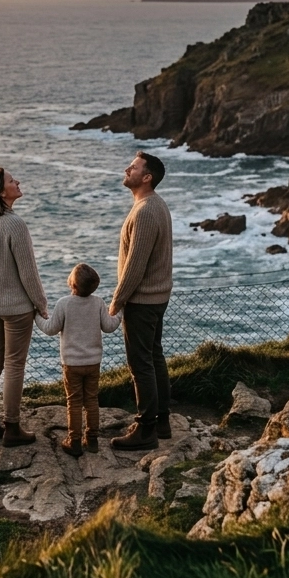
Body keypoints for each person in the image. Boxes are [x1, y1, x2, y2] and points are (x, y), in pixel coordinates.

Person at [0, 167, 49, 447]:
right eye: (12, 181)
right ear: (2, 192)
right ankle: (12, 428)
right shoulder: (15, 224)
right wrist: (41, 304)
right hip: (15, 308)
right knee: (14, 365)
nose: (17, 182)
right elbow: (29, 273)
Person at [108, 152, 173, 451]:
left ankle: (145, 429)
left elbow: (135, 266)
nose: (127, 169)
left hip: (143, 300)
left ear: (146, 177)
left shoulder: (145, 211)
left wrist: (117, 300)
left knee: (140, 364)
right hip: (157, 297)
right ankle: (161, 422)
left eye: (133, 167)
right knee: (154, 357)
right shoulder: (155, 205)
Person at [34, 263, 121, 457]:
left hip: (71, 364)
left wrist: (37, 315)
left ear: (72, 283)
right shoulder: (98, 302)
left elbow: (50, 329)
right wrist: (120, 311)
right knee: (91, 400)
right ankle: (92, 439)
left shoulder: (64, 303)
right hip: (93, 362)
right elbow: (109, 326)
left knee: (73, 402)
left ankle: (74, 440)